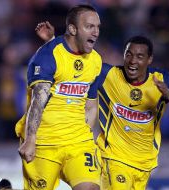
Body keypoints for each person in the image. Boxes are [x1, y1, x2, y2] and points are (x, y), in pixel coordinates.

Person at [38, 27, 169, 190]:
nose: (133, 61)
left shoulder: (162, 79)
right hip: (112, 158)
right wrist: (51, 41)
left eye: (140, 56)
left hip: (145, 163)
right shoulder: (108, 75)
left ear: (149, 59)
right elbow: (75, 62)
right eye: (129, 54)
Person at [16, 4, 102, 190]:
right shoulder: (47, 56)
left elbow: (91, 105)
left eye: (98, 27)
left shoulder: (95, 60)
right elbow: (38, 101)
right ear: (72, 28)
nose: (96, 32)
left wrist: (86, 137)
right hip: (44, 143)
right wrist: (31, 140)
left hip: (78, 142)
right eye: (90, 26)